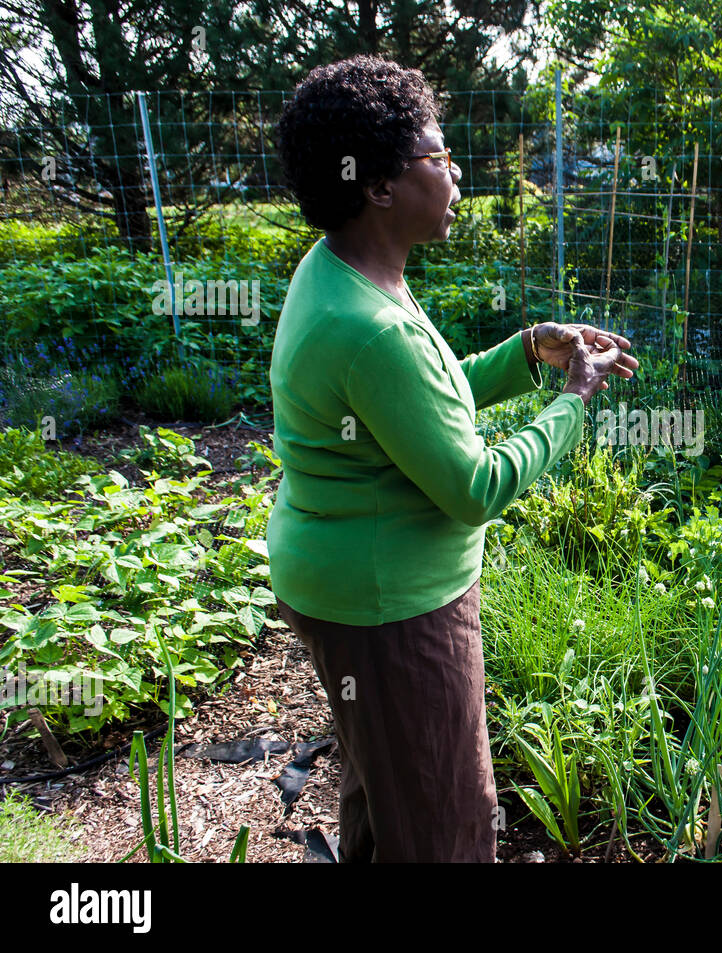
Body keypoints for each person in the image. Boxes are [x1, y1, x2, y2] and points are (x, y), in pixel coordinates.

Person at [267, 54, 637, 862]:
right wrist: (572, 400)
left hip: (348, 587)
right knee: (445, 819)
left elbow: (420, 406)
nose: (455, 168)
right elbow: (475, 484)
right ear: (378, 188)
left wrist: (524, 351)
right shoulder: (370, 326)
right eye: (436, 156)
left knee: (384, 776)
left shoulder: (345, 272)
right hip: (390, 609)